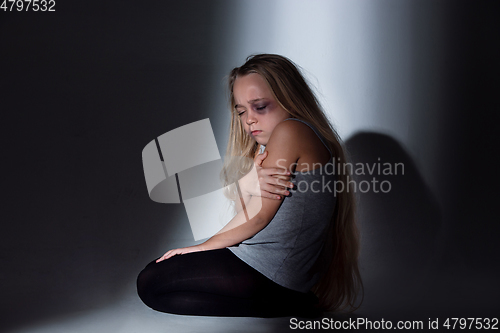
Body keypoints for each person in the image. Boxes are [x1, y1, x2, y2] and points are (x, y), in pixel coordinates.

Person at [137, 54, 363, 317]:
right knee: (157, 292)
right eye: (242, 111)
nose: (249, 120)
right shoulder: (280, 141)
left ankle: (293, 303)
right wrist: (247, 184)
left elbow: (258, 219)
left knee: (151, 280)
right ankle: (293, 305)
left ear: (289, 99)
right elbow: (252, 212)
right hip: (273, 272)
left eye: (260, 107)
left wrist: (199, 248)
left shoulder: (291, 131)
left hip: (269, 270)